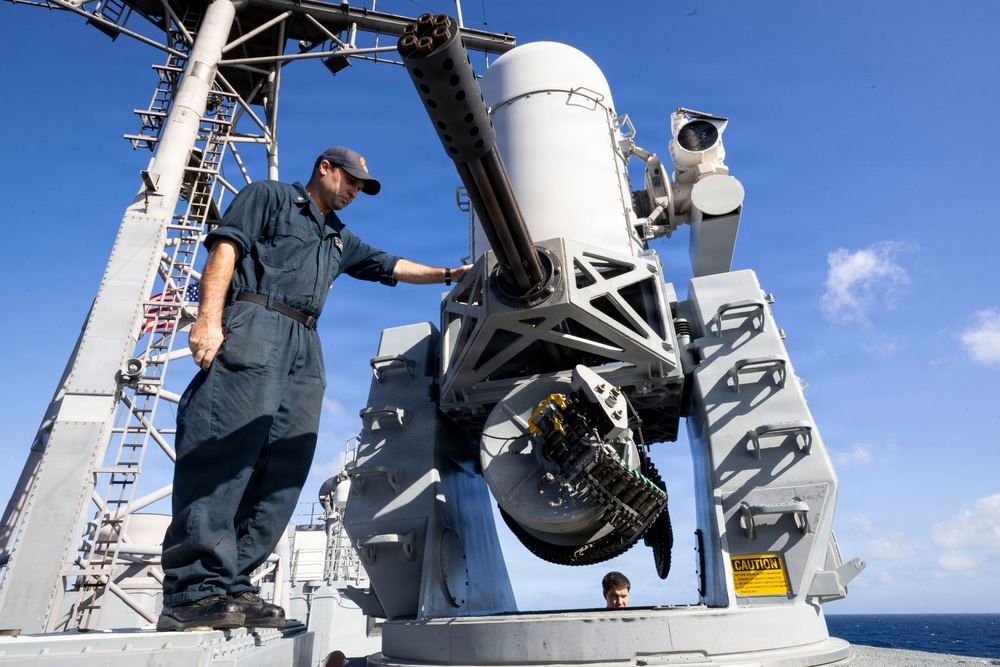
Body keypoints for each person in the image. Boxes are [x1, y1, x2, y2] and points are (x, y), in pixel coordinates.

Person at [157, 146, 470, 631]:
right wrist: (208, 319)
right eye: (349, 181)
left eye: (360, 188)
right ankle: (194, 589)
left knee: (285, 463)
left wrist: (452, 274)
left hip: (306, 341)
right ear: (324, 168)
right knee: (226, 449)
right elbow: (226, 249)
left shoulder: (338, 239)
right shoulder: (270, 197)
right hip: (256, 320)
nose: (353, 192)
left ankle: (235, 580)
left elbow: (393, 265)